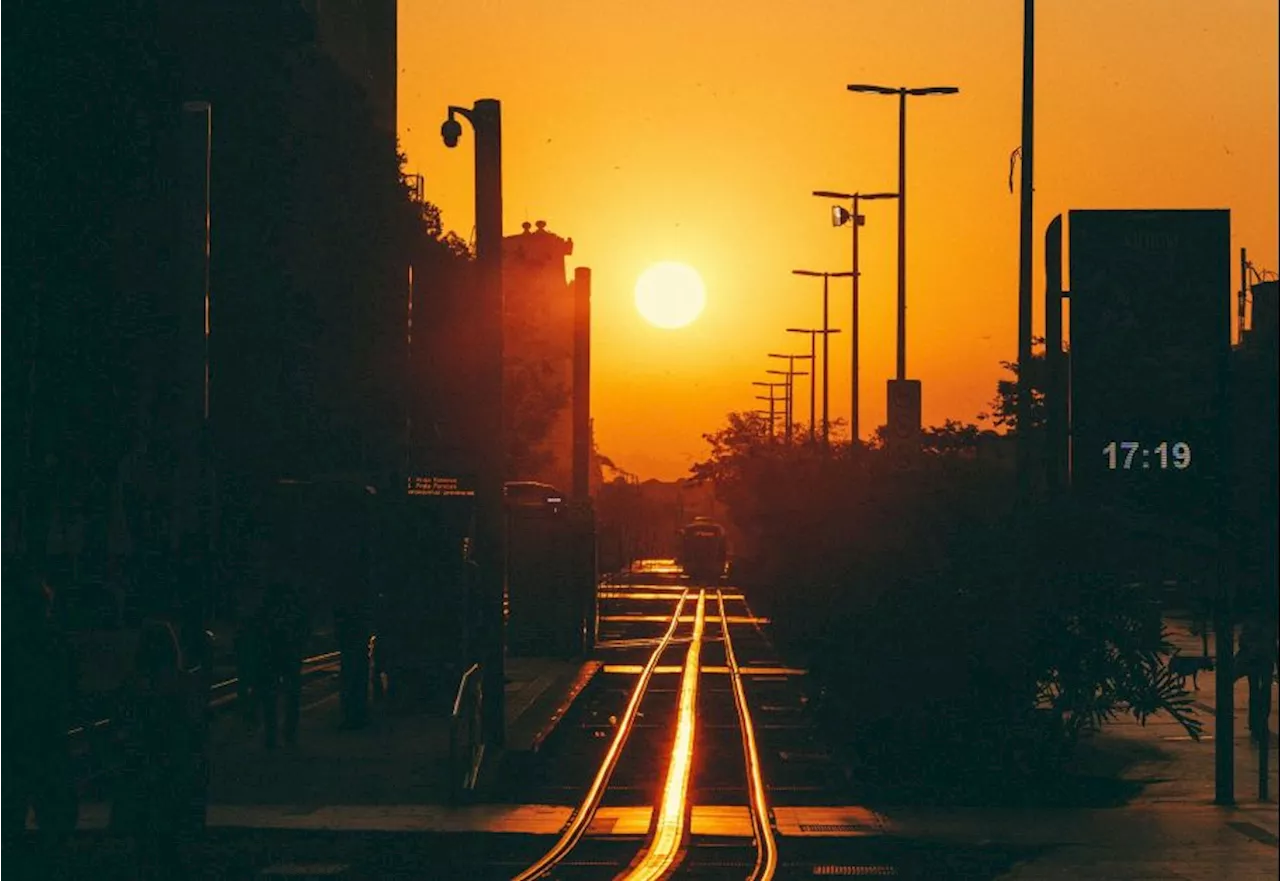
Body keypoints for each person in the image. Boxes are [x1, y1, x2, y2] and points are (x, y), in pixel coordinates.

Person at [111, 616, 198, 880]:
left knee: (142, 830)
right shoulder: (182, 683)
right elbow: (193, 727)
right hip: (173, 762)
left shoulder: (132, 684)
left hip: (140, 761)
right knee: (171, 832)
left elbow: (122, 723)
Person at [0, 568, 79, 851]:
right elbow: (70, 690)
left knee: (12, 812)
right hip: (48, 734)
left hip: (17, 735)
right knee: (52, 814)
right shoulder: (57, 644)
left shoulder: (11, 646)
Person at [257, 576, 308, 748]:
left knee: (270, 697)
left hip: (271, 656)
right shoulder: (296, 609)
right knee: (292, 696)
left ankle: (272, 735)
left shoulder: (266, 609)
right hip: (290, 655)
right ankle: (289, 734)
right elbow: (303, 630)